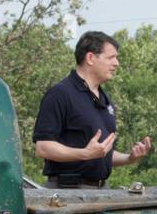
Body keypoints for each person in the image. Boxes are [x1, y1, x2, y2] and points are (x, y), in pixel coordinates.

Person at [33, 31, 150, 189]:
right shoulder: (60, 94)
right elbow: (43, 148)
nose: (117, 63)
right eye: (111, 57)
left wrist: (130, 158)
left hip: (102, 191)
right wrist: (85, 154)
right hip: (67, 192)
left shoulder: (105, 100)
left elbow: (102, 153)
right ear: (90, 58)